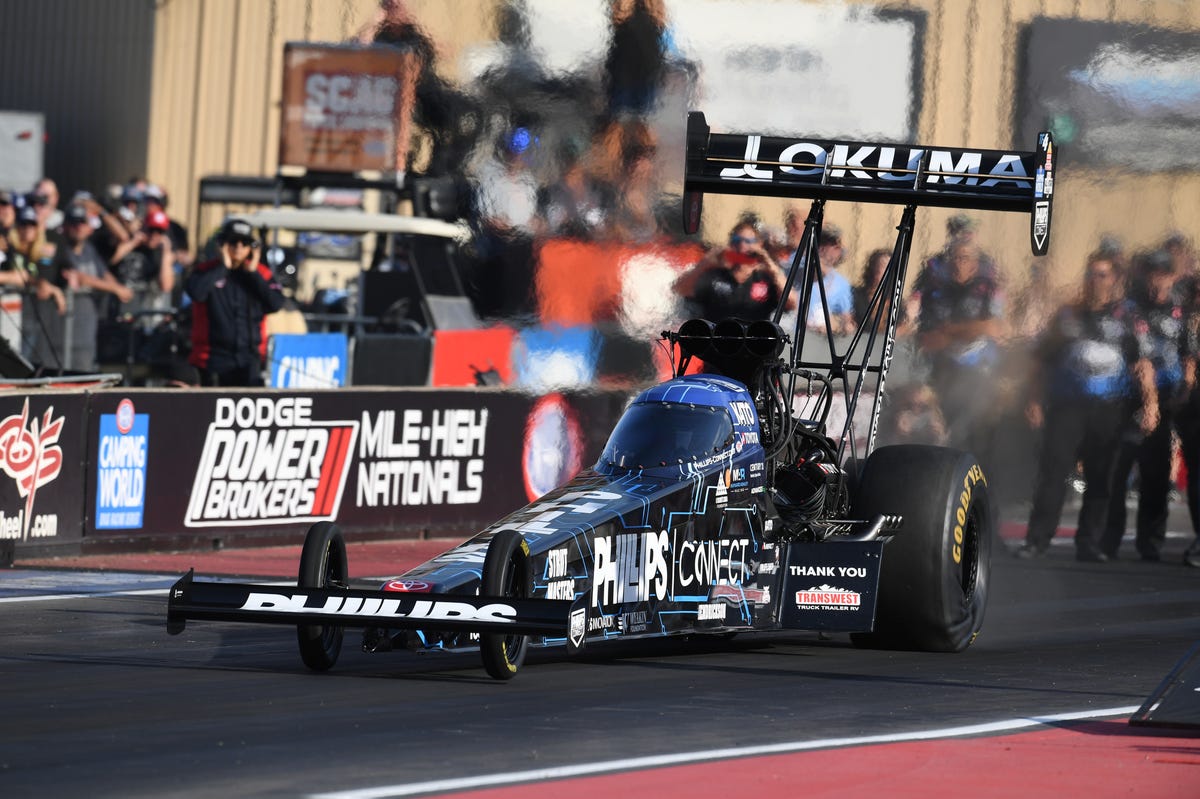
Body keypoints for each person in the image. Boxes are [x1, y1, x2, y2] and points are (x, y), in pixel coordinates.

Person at [1017, 250, 1158, 562]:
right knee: (1053, 472)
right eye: (1091, 274)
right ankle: (1036, 540)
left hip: (1109, 408)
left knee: (1101, 476)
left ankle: (1089, 543)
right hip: (1067, 407)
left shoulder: (1128, 318)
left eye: (1103, 274)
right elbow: (1040, 363)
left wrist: (1151, 405)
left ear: (1115, 279)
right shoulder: (1068, 316)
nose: (1096, 281)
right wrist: (1033, 400)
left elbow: (1143, 365)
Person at [1100, 250, 1187, 561]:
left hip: (1168, 399)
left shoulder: (1181, 311)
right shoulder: (1128, 310)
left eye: (1164, 273)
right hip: (1128, 398)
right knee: (1116, 471)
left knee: (1156, 475)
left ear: (1171, 277)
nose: (1157, 280)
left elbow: (1188, 353)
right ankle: (1107, 540)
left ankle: (1151, 543)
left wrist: (1182, 393)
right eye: (1153, 273)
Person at [913, 239, 1007, 457]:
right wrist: (969, 331)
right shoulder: (935, 291)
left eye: (964, 258)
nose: (958, 263)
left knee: (976, 431)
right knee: (942, 433)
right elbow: (927, 338)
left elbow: (994, 328)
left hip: (981, 372)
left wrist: (950, 330)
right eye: (954, 258)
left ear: (974, 263)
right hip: (943, 372)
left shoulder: (988, 290)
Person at [186, 218, 284, 387]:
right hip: (212, 359)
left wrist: (253, 275)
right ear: (222, 244)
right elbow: (196, 293)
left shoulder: (261, 273)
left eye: (244, 242)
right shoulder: (205, 270)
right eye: (233, 242)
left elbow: (275, 304)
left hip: (249, 360)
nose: (238, 247)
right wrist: (223, 267)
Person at [47, 204, 132, 371]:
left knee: (85, 378)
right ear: (64, 226)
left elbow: (103, 273)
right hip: (61, 335)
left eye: (81, 223)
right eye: (73, 223)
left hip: (86, 333)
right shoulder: (61, 249)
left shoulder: (90, 249)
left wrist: (118, 286)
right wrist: (114, 289)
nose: (77, 227)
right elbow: (79, 277)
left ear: (88, 227)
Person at [674, 220, 795, 322]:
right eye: (737, 240)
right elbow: (679, 290)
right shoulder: (716, 275)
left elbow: (792, 303)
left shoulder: (765, 278)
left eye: (748, 241)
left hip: (753, 343)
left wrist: (770, 266)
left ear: (758, 245)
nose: (742, 245)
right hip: (717, 342)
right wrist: (705, 264)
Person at [802, 225, 856, 336]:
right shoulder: (797, 270)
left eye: (833, 245)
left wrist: (839, 326)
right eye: (822, 242)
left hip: (819, 339)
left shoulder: (842, 284)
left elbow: (846, 319)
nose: (824, 248)